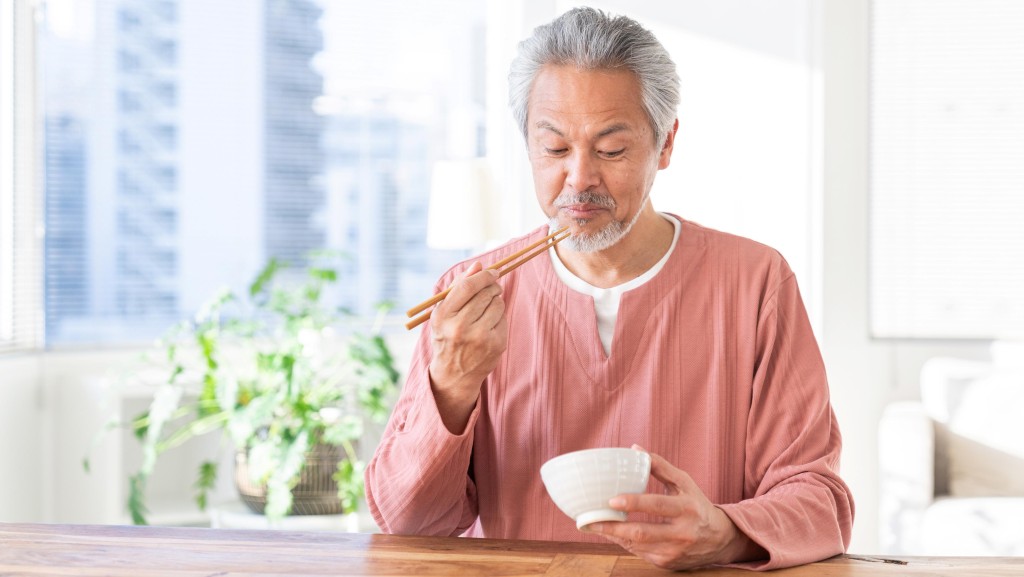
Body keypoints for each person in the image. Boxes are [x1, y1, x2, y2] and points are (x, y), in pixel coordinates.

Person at [365, 6, 854, 571]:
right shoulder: (470, 294)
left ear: (665, 144)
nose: (578, 179)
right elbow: (407, 522)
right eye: (554, 149)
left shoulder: (755, 283)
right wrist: (450, 386)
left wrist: (726, 534)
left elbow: (822, 503)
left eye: (611, 150)